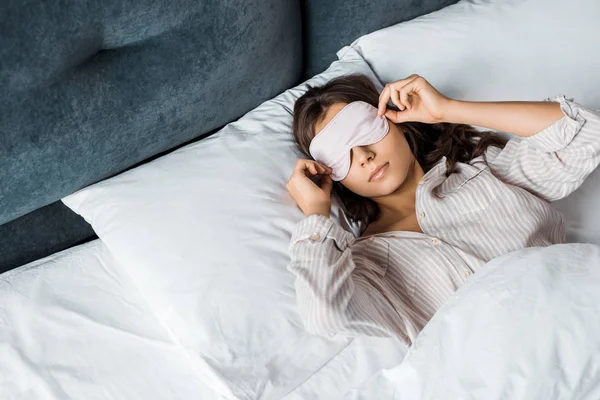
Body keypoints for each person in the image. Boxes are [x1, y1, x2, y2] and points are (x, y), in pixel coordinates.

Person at [285, 73, 600, 344]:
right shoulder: (364, 266)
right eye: (341, 155)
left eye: (363, 131)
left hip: (581, 314)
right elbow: (324, 317)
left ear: (399, 122)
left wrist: (447, 109)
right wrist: (316, 212)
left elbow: (589, 135)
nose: (364, 155)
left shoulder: (487, 170)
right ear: (331, 176)